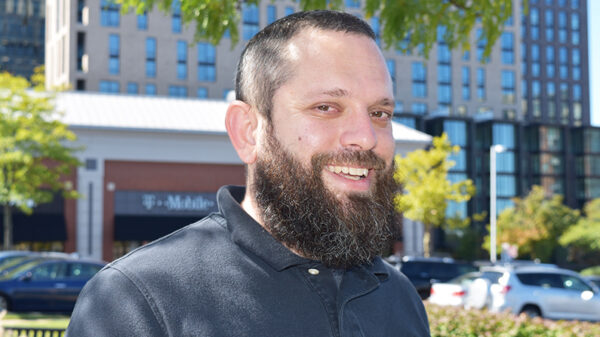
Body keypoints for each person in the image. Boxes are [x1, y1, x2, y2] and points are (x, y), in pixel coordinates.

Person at [66, 10, 430, 336]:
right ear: (248, 131)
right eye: (327, 107)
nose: (366, 137)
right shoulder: (137, 301)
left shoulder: (399, 298)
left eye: (380, 114)